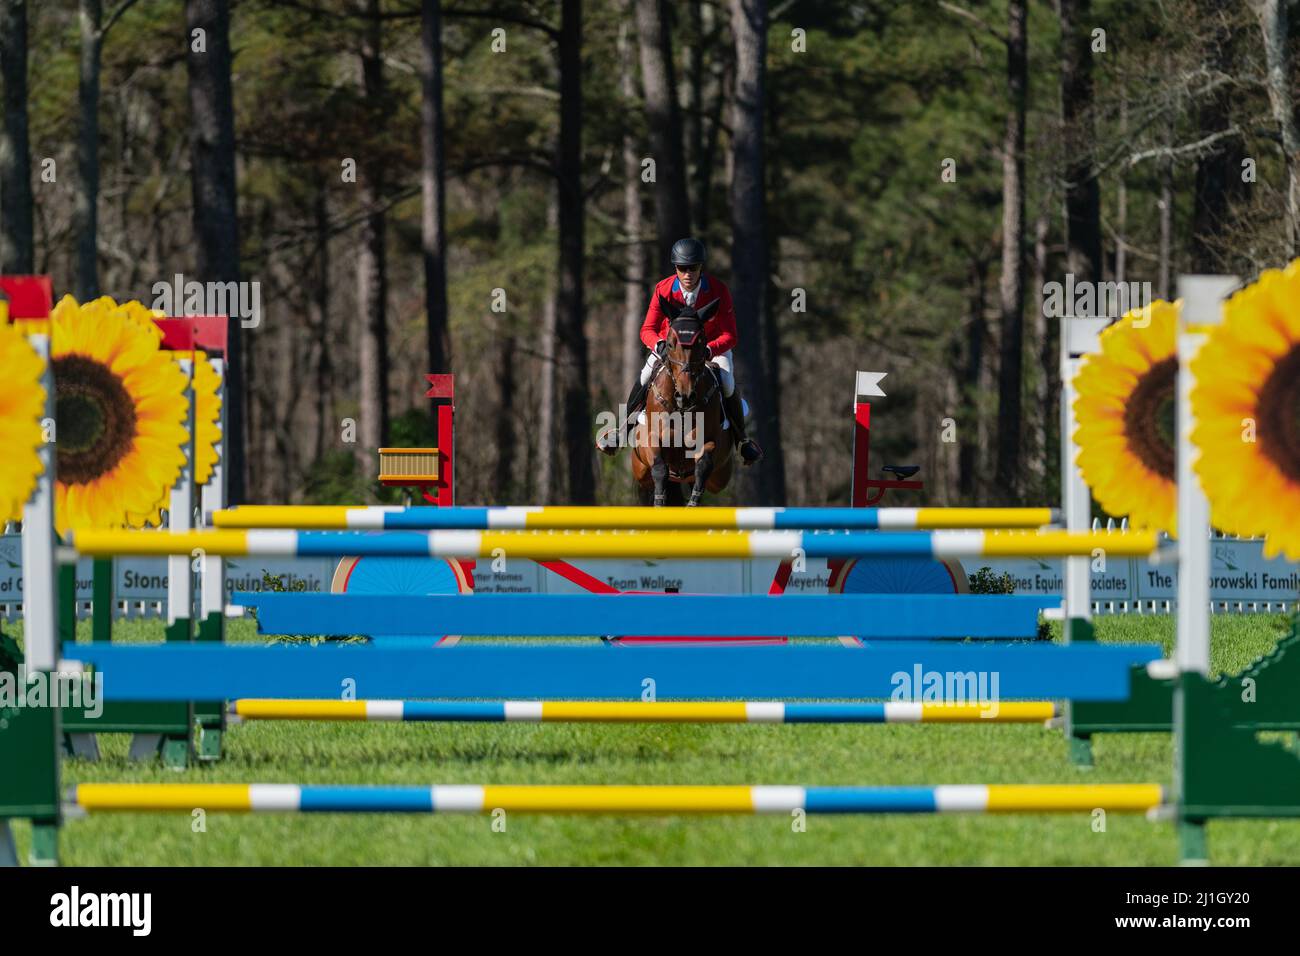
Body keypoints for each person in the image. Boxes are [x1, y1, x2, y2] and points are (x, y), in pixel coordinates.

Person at [598, 237, 762, 465]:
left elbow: (730, 335)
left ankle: (742, 441)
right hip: (673, 351)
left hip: (710, 349)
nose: (687, 274)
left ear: (700, 267)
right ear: (676, 268)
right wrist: (658, 344)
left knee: (727, 381)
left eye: (692, 268)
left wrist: (709, 349)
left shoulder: (718, 290)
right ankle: (622, 430)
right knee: (646, 376)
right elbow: (648, 328)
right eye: (682, 268)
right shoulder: (663, 289)